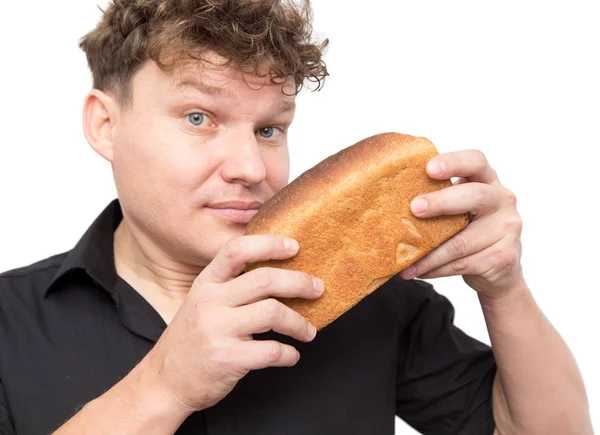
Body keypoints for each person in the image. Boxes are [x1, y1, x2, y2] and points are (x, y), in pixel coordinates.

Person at [0, 0, 592, 434]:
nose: (249, 166)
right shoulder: (10, 322)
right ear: (106, 124)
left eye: (269, 129)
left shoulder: (372, 302)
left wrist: (504, 287)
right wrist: (166, 385)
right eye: (199, 117)